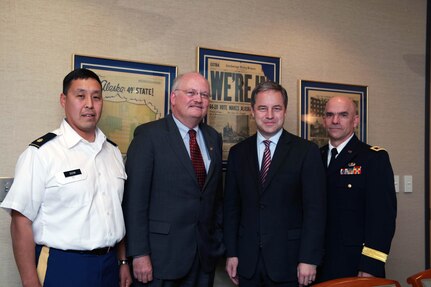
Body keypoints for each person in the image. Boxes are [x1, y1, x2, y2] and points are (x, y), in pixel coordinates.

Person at [0, 68, 132, 287]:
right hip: (63, 266)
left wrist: (122, 260)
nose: (89, 104)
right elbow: (20, 221)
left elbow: (114, 211)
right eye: (80, 96)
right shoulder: (42, 153)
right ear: (63, 100)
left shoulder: (113, 152)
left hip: (109, 266)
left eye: (96, 97)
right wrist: (30, 282)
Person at [122, 72, 224, 287]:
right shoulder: (149, 136)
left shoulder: (214, 137)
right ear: (173, 98)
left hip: (203, 257)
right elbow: (135, 202)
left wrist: (218, 242)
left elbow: (214, 198)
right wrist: (139, 253)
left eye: (204, 94)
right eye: (191, 93)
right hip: (160, 259)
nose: (198, 99)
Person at [223, 81, 326, 287]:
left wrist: (309, 258)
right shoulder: (238, 153)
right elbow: (231, 209)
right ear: (253, 111)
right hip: (247, 261)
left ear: (285, 111)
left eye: (276, 108)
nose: (270, 115)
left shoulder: (306, 152)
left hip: (290, 263)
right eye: (263, 108)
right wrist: (231, 253)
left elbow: (316, 210)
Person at [317, 96, 397, 281]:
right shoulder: (314, 157)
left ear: (356, 120)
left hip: (355, 265)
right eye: (330, 115)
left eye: (343, 115)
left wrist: (371, 266)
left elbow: (382, 219)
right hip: (317, 263)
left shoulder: (373, 159)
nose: (335, 121)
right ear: (324, 120)